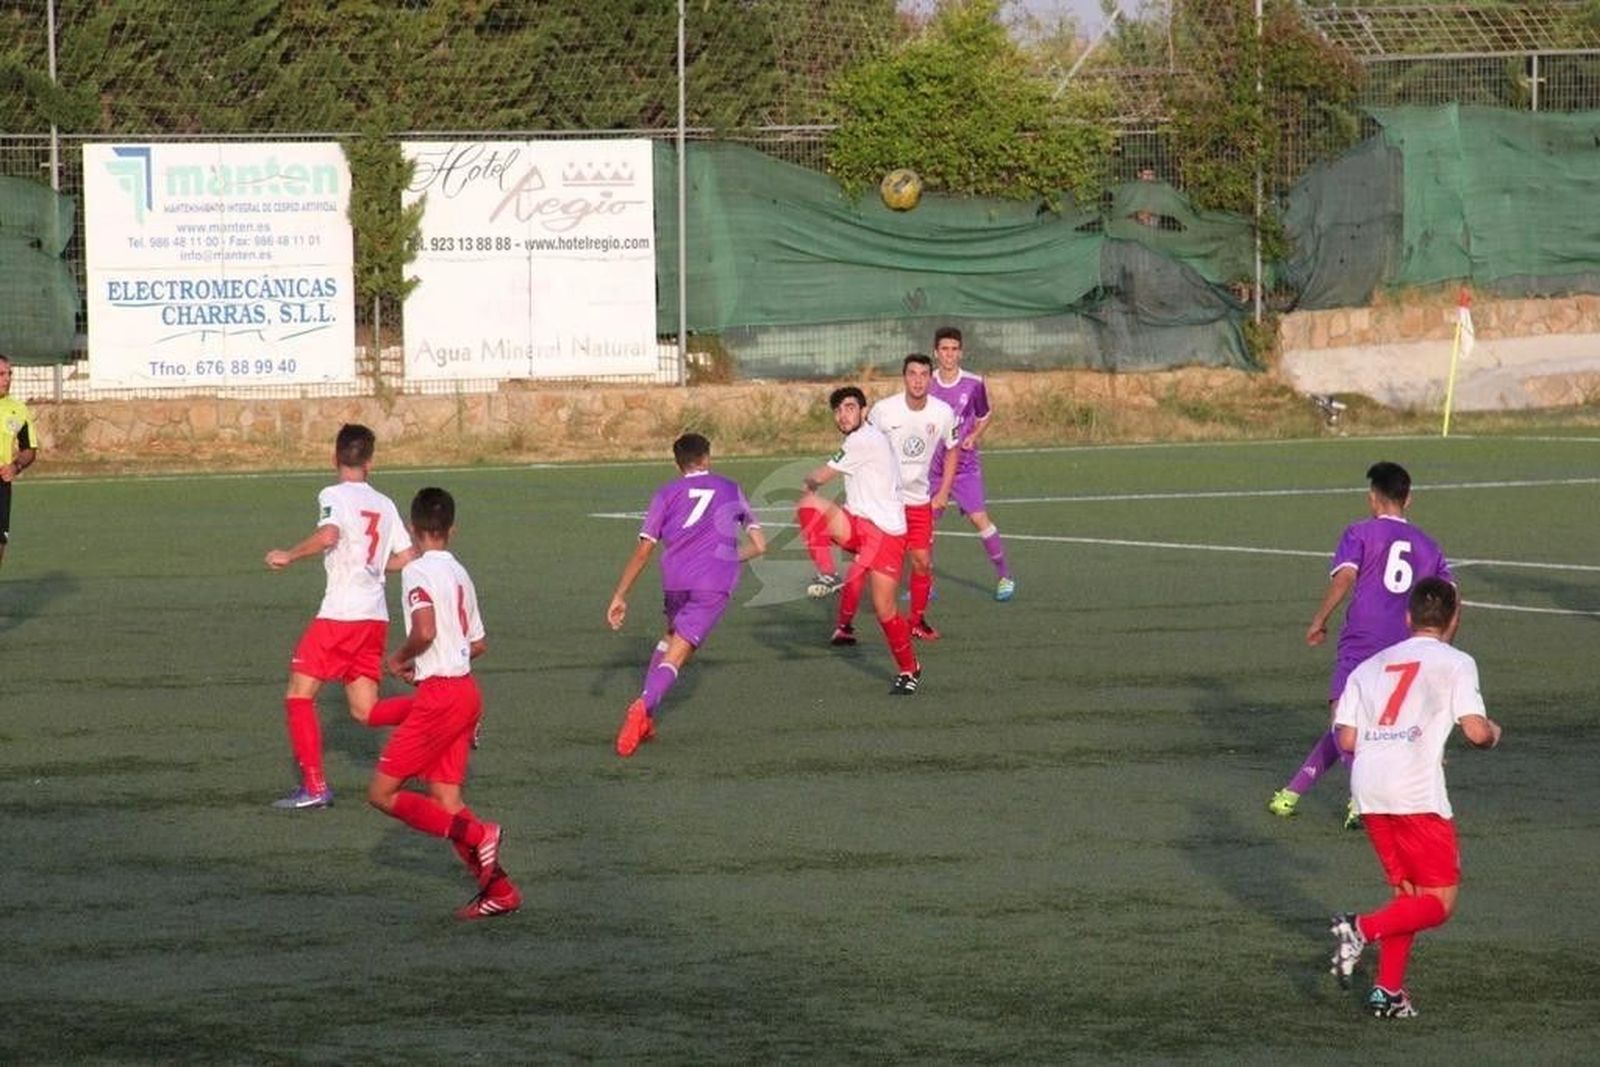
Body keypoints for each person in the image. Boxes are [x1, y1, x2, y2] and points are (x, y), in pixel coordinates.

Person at [1328, 577, 1502, 1017]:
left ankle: (1387, 992)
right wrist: (1494, 734)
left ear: (1407, 618)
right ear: (1453, 618)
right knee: (1439, 904)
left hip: (1368, 790)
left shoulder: (1369, 666)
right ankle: (1359, 928)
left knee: (1408, 896)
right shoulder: (1457, 662)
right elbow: (1478, 732)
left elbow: (1346, 740)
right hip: (1415, 794)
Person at [1269, 461, 1453, 829]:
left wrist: (1320, 618)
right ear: (1408, 499)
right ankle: (1292, 792)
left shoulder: (1359, 533)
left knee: (1343, 721)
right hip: (1406, 642)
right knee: (1355, 723)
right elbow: (1452, 599)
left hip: (1362, 639)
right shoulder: (1429, 545)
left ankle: (1362, 800)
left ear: (1373, 498)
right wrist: (1441, 646)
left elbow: (1346, 578)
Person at [364, 487, 518, 920]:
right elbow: (478, 643)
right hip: (466, 691)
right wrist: (433, 662)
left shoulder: (415, 571)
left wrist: (399, 659)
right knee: (446, 797)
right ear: (452, 529)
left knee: (381, 793)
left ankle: (479, 833)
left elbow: (426, 630)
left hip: (440, 699)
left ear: (414, 530)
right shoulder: (460, 572)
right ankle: (500, 891)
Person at [264, 423, 413, 809]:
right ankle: (445, 710)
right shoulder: (385, 503)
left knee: (299, 694)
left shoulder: (332, 493)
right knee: (365, 711)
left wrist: (290, 554)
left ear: (335, 458)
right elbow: (409, 557)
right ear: (370, 463)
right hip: (375, 617)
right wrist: (375, 566)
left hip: (341, 615)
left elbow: (329, 536)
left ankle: (314, 787)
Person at [607, 433, 767, 757]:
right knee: (679, 654)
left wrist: (620, 594)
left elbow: (644, 550)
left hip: (675, 581)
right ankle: (642, 707)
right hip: (712, 585)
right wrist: (730, 558)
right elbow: (762, 544)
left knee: (671, 636)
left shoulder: (666, 492)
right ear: (707, 458)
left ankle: (647, 719)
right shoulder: (730, 487)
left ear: (678, 463)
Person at [795, 386, 922, 693]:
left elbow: (819, 476)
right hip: (859, 525)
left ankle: (909, 670)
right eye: (838, 410)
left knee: (885, 610)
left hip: (886, 535)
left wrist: (809, 484)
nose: (843, 414)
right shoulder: (863, 437)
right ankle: (827, 571)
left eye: (850, 407)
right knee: (808, 506)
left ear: (864, 411)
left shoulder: (863, 440)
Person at [861, 354, 957, 640]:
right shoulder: (883, 411)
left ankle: (916, 620)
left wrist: (943, 491)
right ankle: (846, 623)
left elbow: (953, 449)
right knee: (871, 565)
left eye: (923, 374)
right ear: (904, 377)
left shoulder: (942, 412)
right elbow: (864, 446)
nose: (917, 379)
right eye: (912, 374)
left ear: (931, 378)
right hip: (886, 501)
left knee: (922, 561)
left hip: (918, 502)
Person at [926, 327, 1015, 602]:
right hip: (933, 468)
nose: (949, 354)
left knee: (980, 519)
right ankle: (924, 584)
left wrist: (974, 435)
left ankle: (1004, 576)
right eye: (944, 349)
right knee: (925, 526)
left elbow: (985, 415)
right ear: (936, 352)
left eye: (954, 349)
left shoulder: (974, 383)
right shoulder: (925, 383)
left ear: (960, 352)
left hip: (964, 466)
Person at [0, 353, 39, 571]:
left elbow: (29, 449)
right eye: (1, 374)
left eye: (9, 374)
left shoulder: (18, 410)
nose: (7, 379)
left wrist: (16, 466)